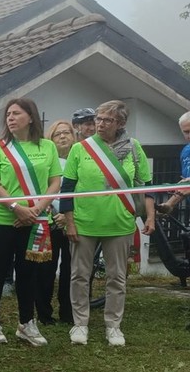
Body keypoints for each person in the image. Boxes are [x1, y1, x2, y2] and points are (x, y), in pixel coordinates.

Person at [60, 100, 155, 346]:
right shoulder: (80, 149)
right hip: (84, 223)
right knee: (79, 275)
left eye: (107, 120)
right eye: (98, 119)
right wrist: (70, 223)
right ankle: (80, 323)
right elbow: (67, 189)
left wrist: (150, 217)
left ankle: (113, 325)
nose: (100, 124)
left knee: (117, 277)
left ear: (120, 123)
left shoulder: (134, 148)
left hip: (120, 223)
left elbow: (146, 186)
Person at [0, 97, 62, 346]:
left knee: (28, 272)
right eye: (8, 114)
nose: (11, 118)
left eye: (16, 113)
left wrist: (35, 210)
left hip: (34, 219)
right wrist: (17, 208)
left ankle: (26, 323)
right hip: (0, 220)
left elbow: (55, 182)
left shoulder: (47, 147)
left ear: (30, 117)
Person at [35, 120, 76, 326]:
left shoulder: (78, 159)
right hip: (49, 221)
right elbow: (40, 189)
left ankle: (68, 312)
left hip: (73, 222)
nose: (63, 136)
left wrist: (68, 216)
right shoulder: (46, 161)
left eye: (67, 132)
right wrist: (53, 211)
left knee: (71, 269)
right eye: (57, 134)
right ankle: (44, 314)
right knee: (46, 270)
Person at [156, 110, 190, 215]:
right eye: (186, 132)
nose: (189, 135)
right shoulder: (186, 152)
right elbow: (186, 186)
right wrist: (169, 204)